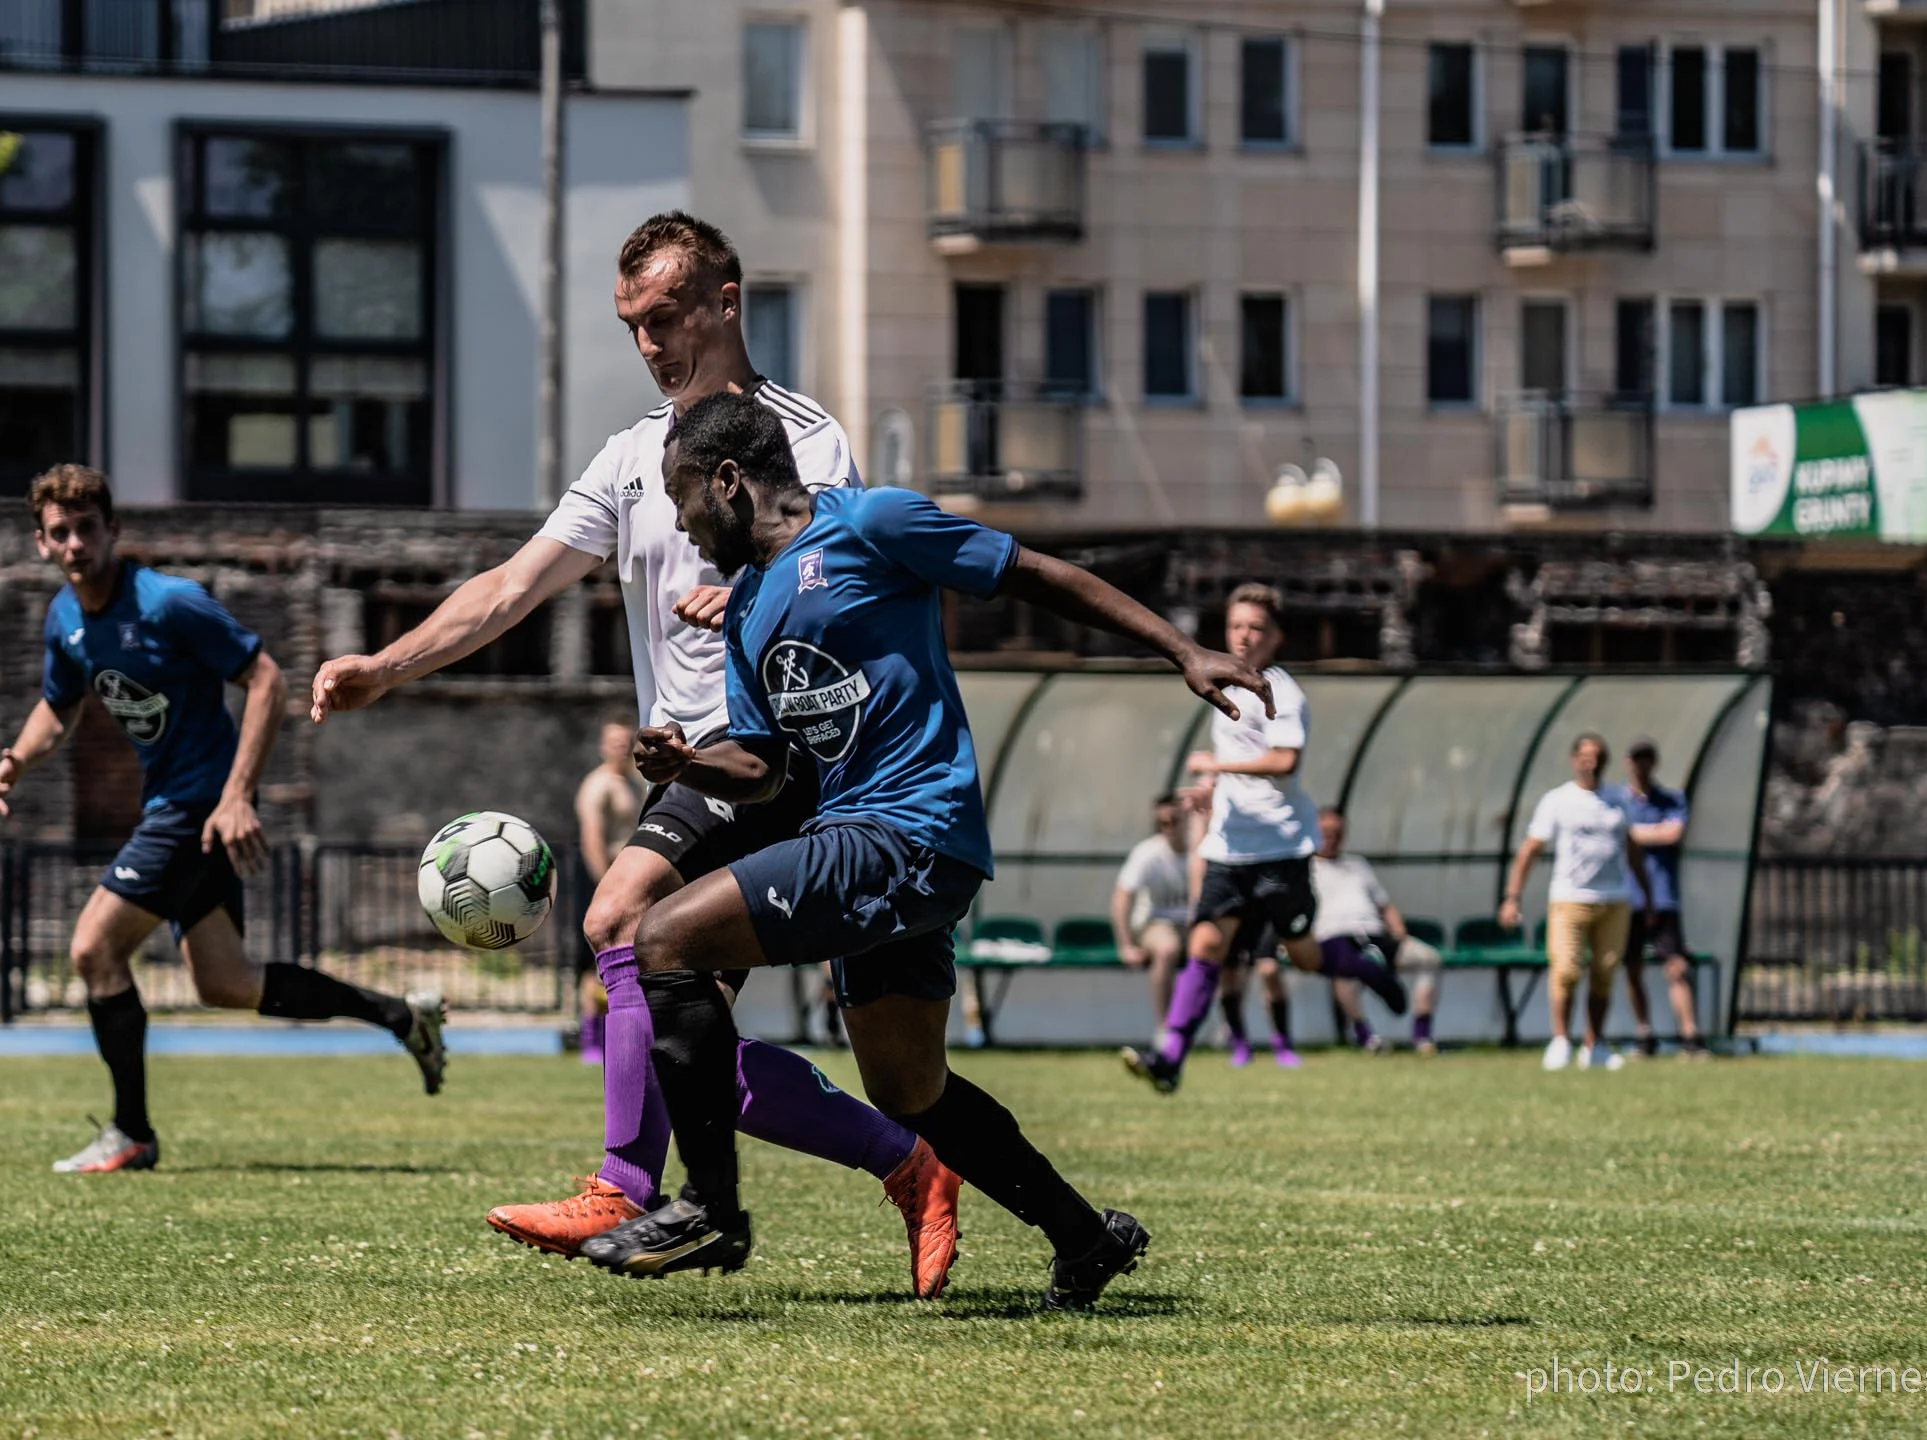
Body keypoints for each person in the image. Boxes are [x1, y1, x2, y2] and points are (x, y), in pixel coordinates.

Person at [307, 213, 962, 1297]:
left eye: (665, 315)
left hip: (777, 768)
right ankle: (907, 1164)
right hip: (692, 773)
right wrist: (387, 664)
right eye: (632, 324)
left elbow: (849, 574)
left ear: (724, 303)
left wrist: (758, 581)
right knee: (688, 1042)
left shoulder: (807, 438)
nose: (650, 341)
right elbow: (511, 588)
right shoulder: (630, 460)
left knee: (617, 924)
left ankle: (624, 1184)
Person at [577, 391, 1271, 1310]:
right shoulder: (745, 611)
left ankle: (710, 1206)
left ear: (730, 481)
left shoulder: (869, 522)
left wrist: (1180, 648)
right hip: (859, 840)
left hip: (907, 829)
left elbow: (1033, 574)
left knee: (659, 941)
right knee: (909, 1089)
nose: (680, 523)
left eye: (683, 496)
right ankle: (1084, 1238)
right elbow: (769, 772)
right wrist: (691, 759)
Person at [0, 465, 446, 1175]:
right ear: (41, 544)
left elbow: (266, 677)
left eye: (86, 528)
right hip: (174, 803)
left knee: (92, 951)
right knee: (225, 982)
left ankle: (131, 1132)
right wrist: (15, 758)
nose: (74, 543)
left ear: (113, 530)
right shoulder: (65, 620)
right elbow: (61, 703)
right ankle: (400, 1015)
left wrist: (237, 796)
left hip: (199, 805)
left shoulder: (171, 604)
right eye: (59, 533)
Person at [1119, 586, 1406, 1096]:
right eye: (1236, 626)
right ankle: (1170, 1058)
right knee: (1206, 945)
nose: (1244, 636)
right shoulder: (1222, 685)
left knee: (1305, 957)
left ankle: (1372, 973)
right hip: (1229, 850)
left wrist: (1215, 764)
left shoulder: (1282, 691)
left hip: (1282, 851)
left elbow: (1283, 761)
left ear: (1274, 637)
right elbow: (1239, 757)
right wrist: (1209, 789)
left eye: (1255, 627)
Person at [1500, 734, 1657, 1073]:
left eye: (1598, 755)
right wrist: (1513, 896)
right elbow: (1530, 850)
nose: (1591, 762)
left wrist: (1647, 896)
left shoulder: (1618, 800)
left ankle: (1594, 1044)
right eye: (1585, 755)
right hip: (1569, 897)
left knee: (1604, 973)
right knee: (1567, 969)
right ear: (1574, 760)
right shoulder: (1558, 800)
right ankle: (1559, 1040)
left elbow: (1632, 850)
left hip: (1614, 899)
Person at [1313, 809, 1445, 1056]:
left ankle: (1422, 1035)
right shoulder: (1306, 868)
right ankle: (1367, 1036)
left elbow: (1384, 903)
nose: (1332, 839)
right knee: (1345, 970)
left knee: (1429, 959)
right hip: (1334, 936)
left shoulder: (1357, 864)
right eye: (1326, 833)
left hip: (1373, 934)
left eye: (1337, 833)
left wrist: (1398, 929)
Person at [1620, 738, 1705, 1059]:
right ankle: (1645, 1035)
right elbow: (1616, 836)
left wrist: (1633, 834)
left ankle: (1690, 1037)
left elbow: (1673, 834)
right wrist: (1645, 833)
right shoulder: (1619, 800)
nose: (1641, 765)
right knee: (1632, 969)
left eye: (1647, 758)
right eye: (1636, 758)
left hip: (1663, 896)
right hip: (1627, 899)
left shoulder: (1671, 799)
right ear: (1628, 762)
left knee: (1676, 967)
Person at [572, 718, 647, 1065]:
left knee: (632, 959)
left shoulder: (634, 783)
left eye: (624, 741)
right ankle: (590, 1041)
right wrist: (605, 887)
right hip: (604, 881)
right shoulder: (598, 785)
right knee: (596, 963)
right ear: (603, 745)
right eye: (613, 742)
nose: (620, 748)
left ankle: (627, 1036)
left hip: (634, 882)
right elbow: (592, 838)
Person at [1110, 793, 1191, 1061]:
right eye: (1162, 823)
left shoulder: (1203, 848)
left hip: (1192, 924)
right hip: (1155, 923)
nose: (1168, 828)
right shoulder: (1147, 853)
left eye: (1174, 821)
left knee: (1224, 948)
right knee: (1167, 949)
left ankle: (1233, 1032)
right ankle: (1164, 1030)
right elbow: (1121, 898)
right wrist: (1126, 945)